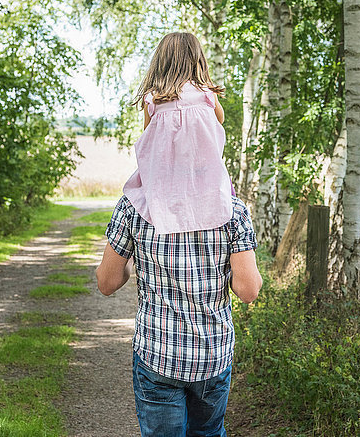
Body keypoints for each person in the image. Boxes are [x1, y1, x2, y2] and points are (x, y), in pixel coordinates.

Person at [96, 194, 261, 436]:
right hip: (212, 354)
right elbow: (248, 291)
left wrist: (133, 262)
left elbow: (107, 282)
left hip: (158, 354)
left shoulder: (134, 206)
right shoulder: (232, 209)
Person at [122, 32, 235, 237]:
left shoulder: (153, 99)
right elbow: (220, 120)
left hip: (163, 181)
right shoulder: (207, 94)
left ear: (161, 62)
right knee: (230, 203)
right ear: (197, 60)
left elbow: (148, 138)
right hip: (204, 177)